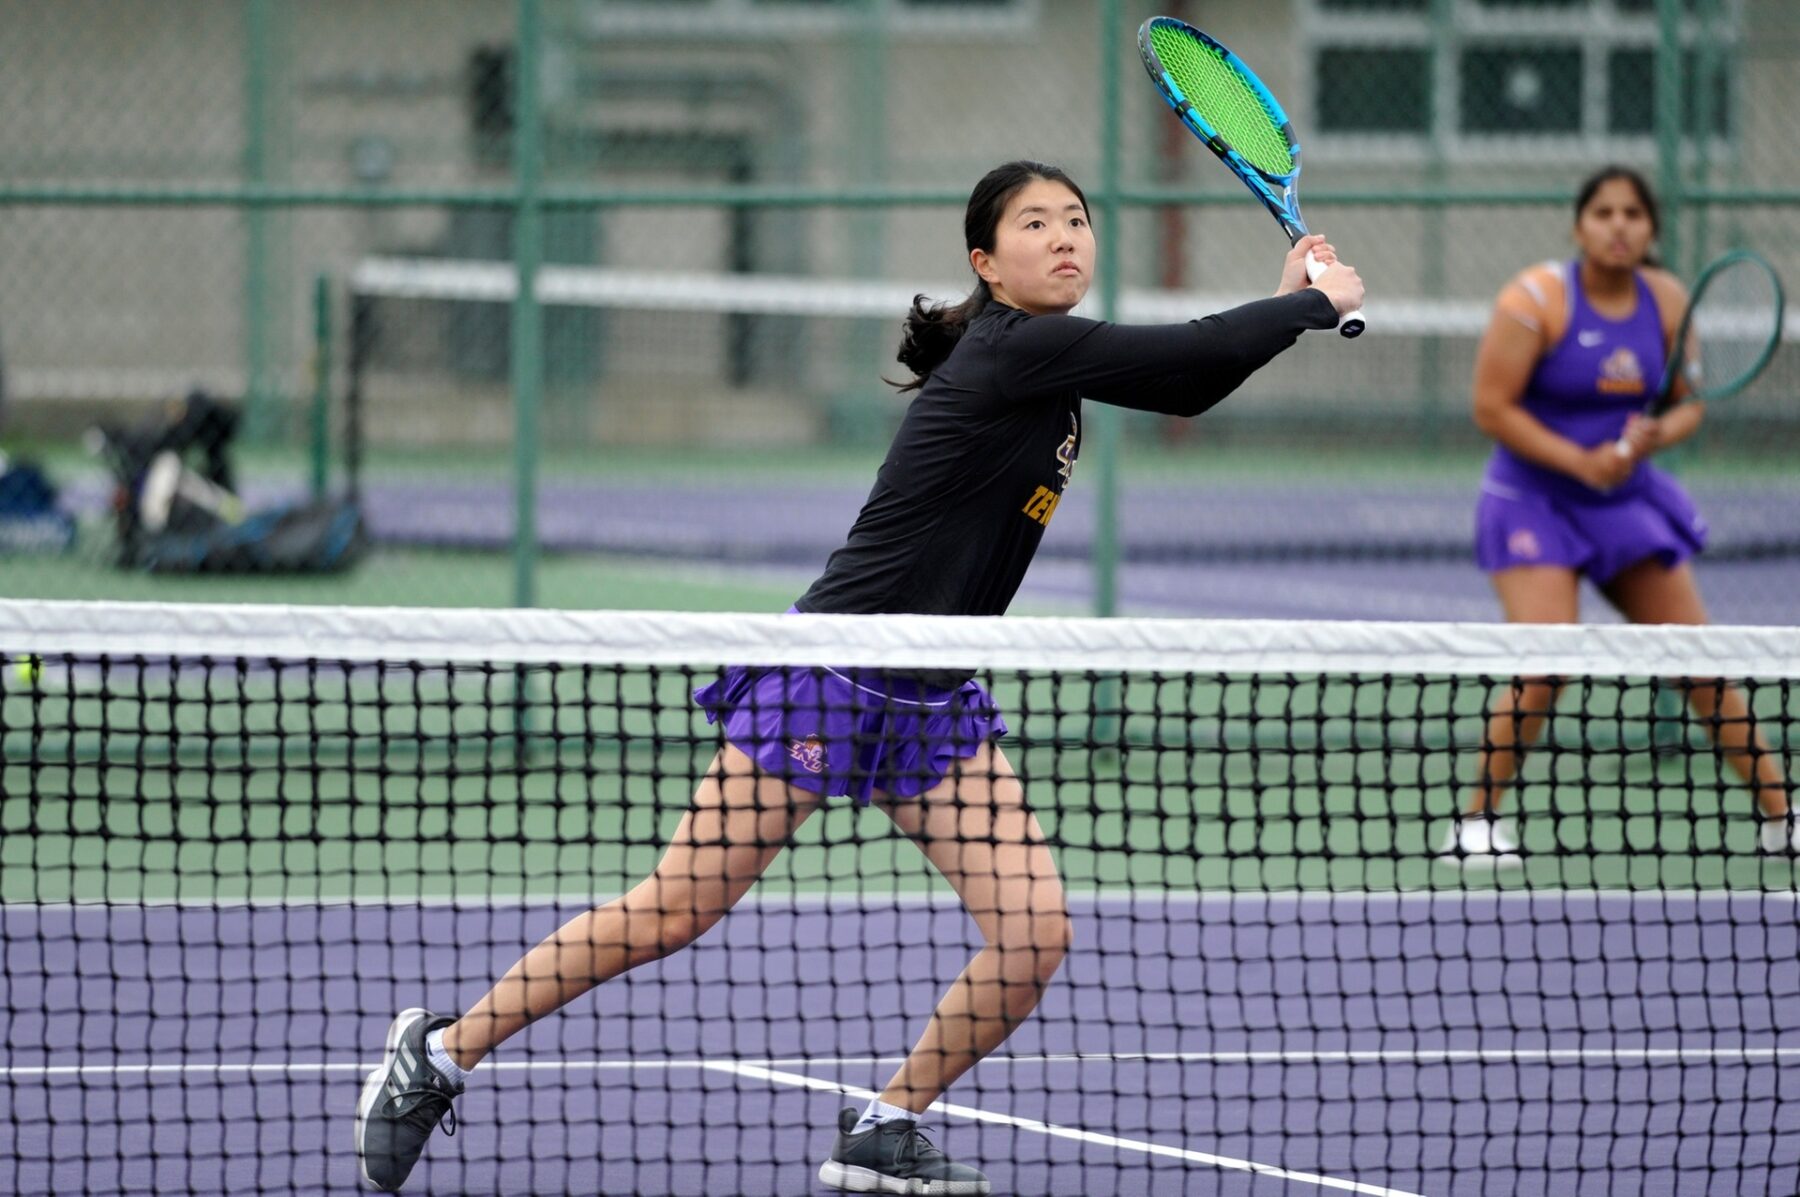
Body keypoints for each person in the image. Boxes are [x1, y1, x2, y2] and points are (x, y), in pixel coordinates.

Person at [353, 159, 1365, 1194]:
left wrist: (1295, 308)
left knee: (1034, 933)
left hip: (932, 695)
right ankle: (437, 1054)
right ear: (987, 262)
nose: (1064, 236)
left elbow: (1191, 378)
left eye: (1076, 219)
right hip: (831, 673)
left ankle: (885, 1123)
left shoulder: (1056, 369)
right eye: (1034, 224)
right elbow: (1191, 352)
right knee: (674, 911)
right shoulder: (1014, 348)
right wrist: (1305, 304)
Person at [1441, 165, 1795, 865]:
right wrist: (1580, 462)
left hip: (1624, 504)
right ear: (1579, 226)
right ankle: (1473, 823)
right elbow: (1491, 408)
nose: (1618, 225)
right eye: (1603, 212)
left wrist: (1663, 433)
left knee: (1702, 664)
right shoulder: (1534, 299)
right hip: (1533, 502)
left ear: (1650, 229)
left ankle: (1783, 820)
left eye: (1633, 213)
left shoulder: (1665, 300)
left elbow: (1687, 401)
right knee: (1546, 662)